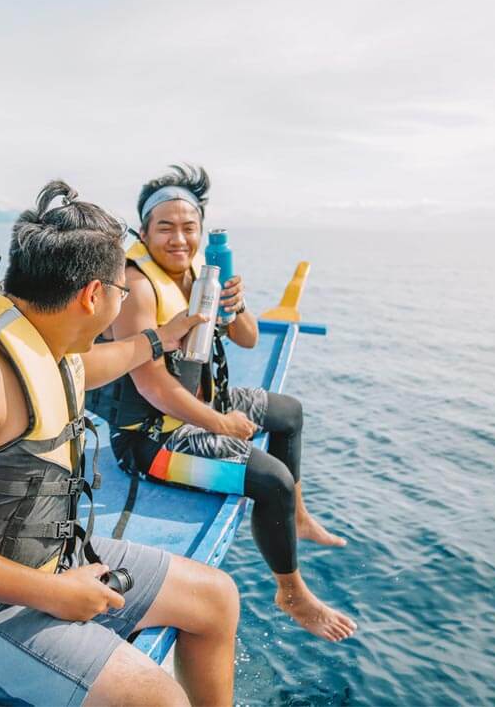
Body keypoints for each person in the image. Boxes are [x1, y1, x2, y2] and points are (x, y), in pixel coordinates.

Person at [0, 181, 239, 706]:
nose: (121, 302)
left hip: (52, 559)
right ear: (94, 295)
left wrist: (160, 337)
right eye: (120, 293)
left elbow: (93, 367)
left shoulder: (44, 338)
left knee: (216, 598)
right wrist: (55, 593)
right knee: (159, 701)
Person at [87, 165, 357, 642]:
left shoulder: (201, 272)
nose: (178, 238)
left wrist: (238, 306)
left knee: (288, 412)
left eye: (189, 227)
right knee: (271, 479)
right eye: (165, 227)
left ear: (202, 231)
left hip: (201, 401)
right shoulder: (138, 288)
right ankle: (291, 591)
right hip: (151, 439)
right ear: (144, 232)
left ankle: (296, 513)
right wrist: (219, 424)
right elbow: (151, 387)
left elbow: (248, 340)